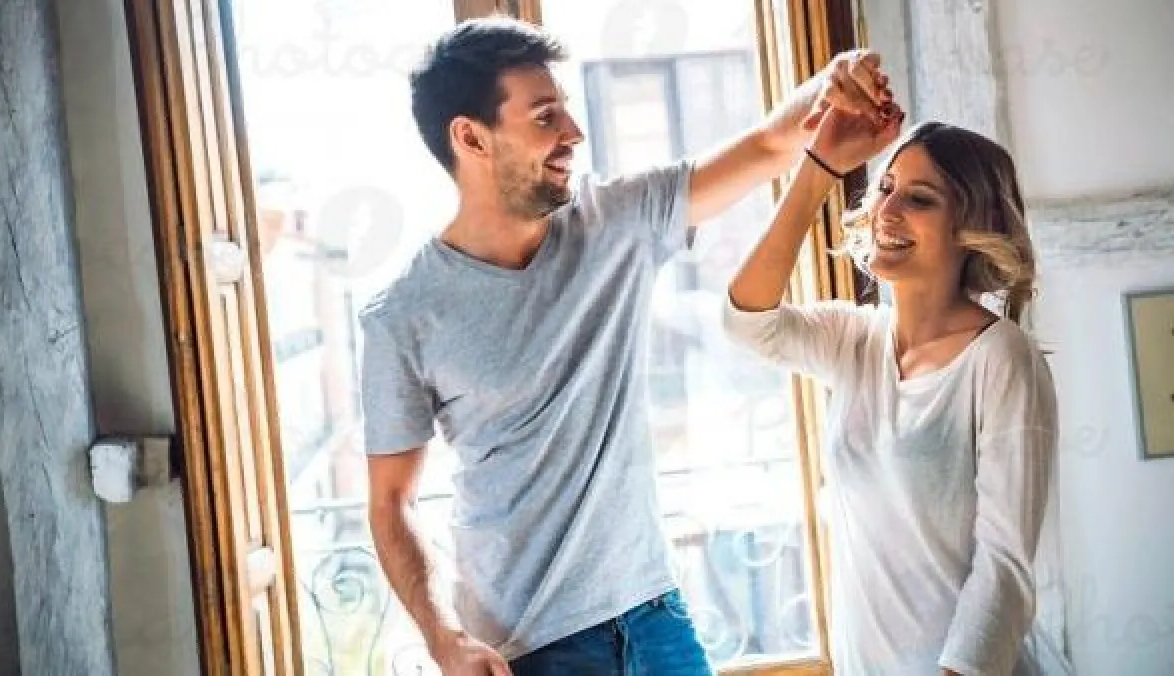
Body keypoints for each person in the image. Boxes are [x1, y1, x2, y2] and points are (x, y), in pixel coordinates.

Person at [360, 16, 894, 676]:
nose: (573, 133)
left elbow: (766, 145)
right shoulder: (402, 316)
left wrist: (833, 81)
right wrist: (445, 638)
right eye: (545, 117)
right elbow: (392, 504)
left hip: (655, 614)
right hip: (529, 648)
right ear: (471, 137)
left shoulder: (614, 220)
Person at [724, 110, 1060, 675]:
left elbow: (1004, 566)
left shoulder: (1001, 357)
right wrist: (819, 168)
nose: (887, 210)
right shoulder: (853, 340)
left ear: (970, 226)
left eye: (920, 199)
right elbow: (746, 320)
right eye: (884, 188)